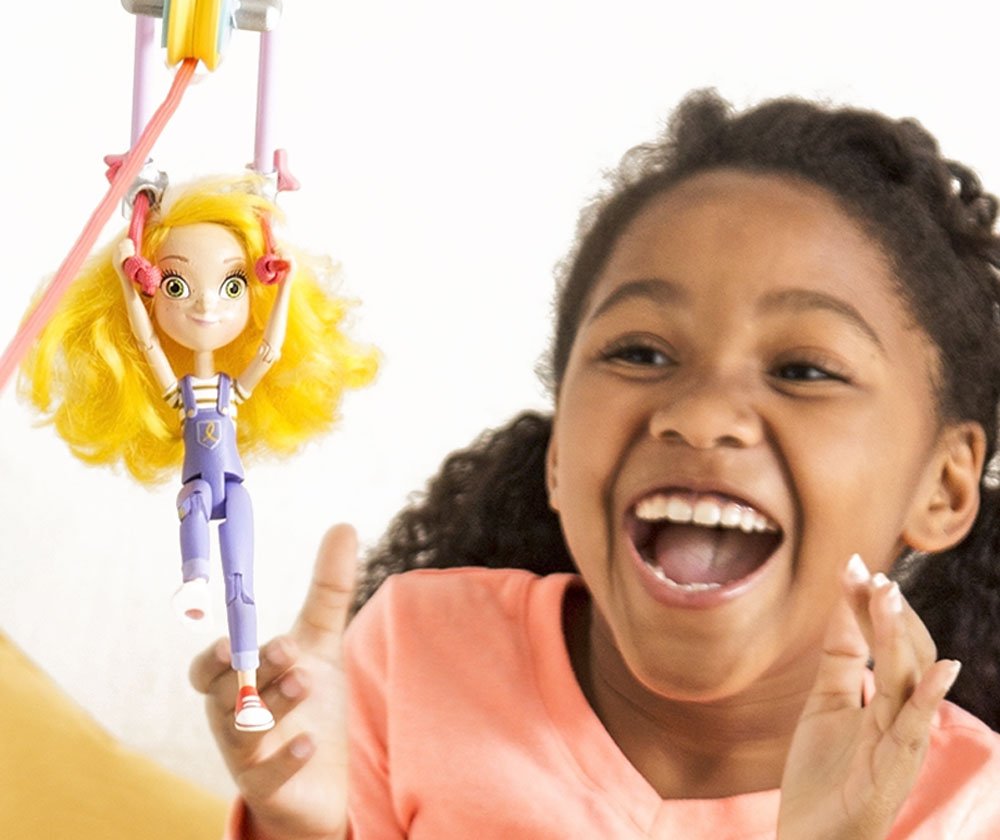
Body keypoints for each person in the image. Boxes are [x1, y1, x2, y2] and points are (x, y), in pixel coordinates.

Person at [193, 93, 1000, 838]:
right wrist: (298, 828)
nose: (699, 414)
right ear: (558, 453)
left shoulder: (966, 808)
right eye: (641, 353)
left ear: (943, 486)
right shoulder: (419, 657)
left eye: (804, 370)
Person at [21, 174, 377, 732]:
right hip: (200, 485)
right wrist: (125, 283)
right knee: (191, 506)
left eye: (233, 286)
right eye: (177, 285)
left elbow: (270, 350)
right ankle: (194, 580)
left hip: (233, 489)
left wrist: (285, 285)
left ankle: (248, 690)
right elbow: (145, 341)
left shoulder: (233, 391)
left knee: (243, 584)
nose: (208, 303)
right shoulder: (181, 392)